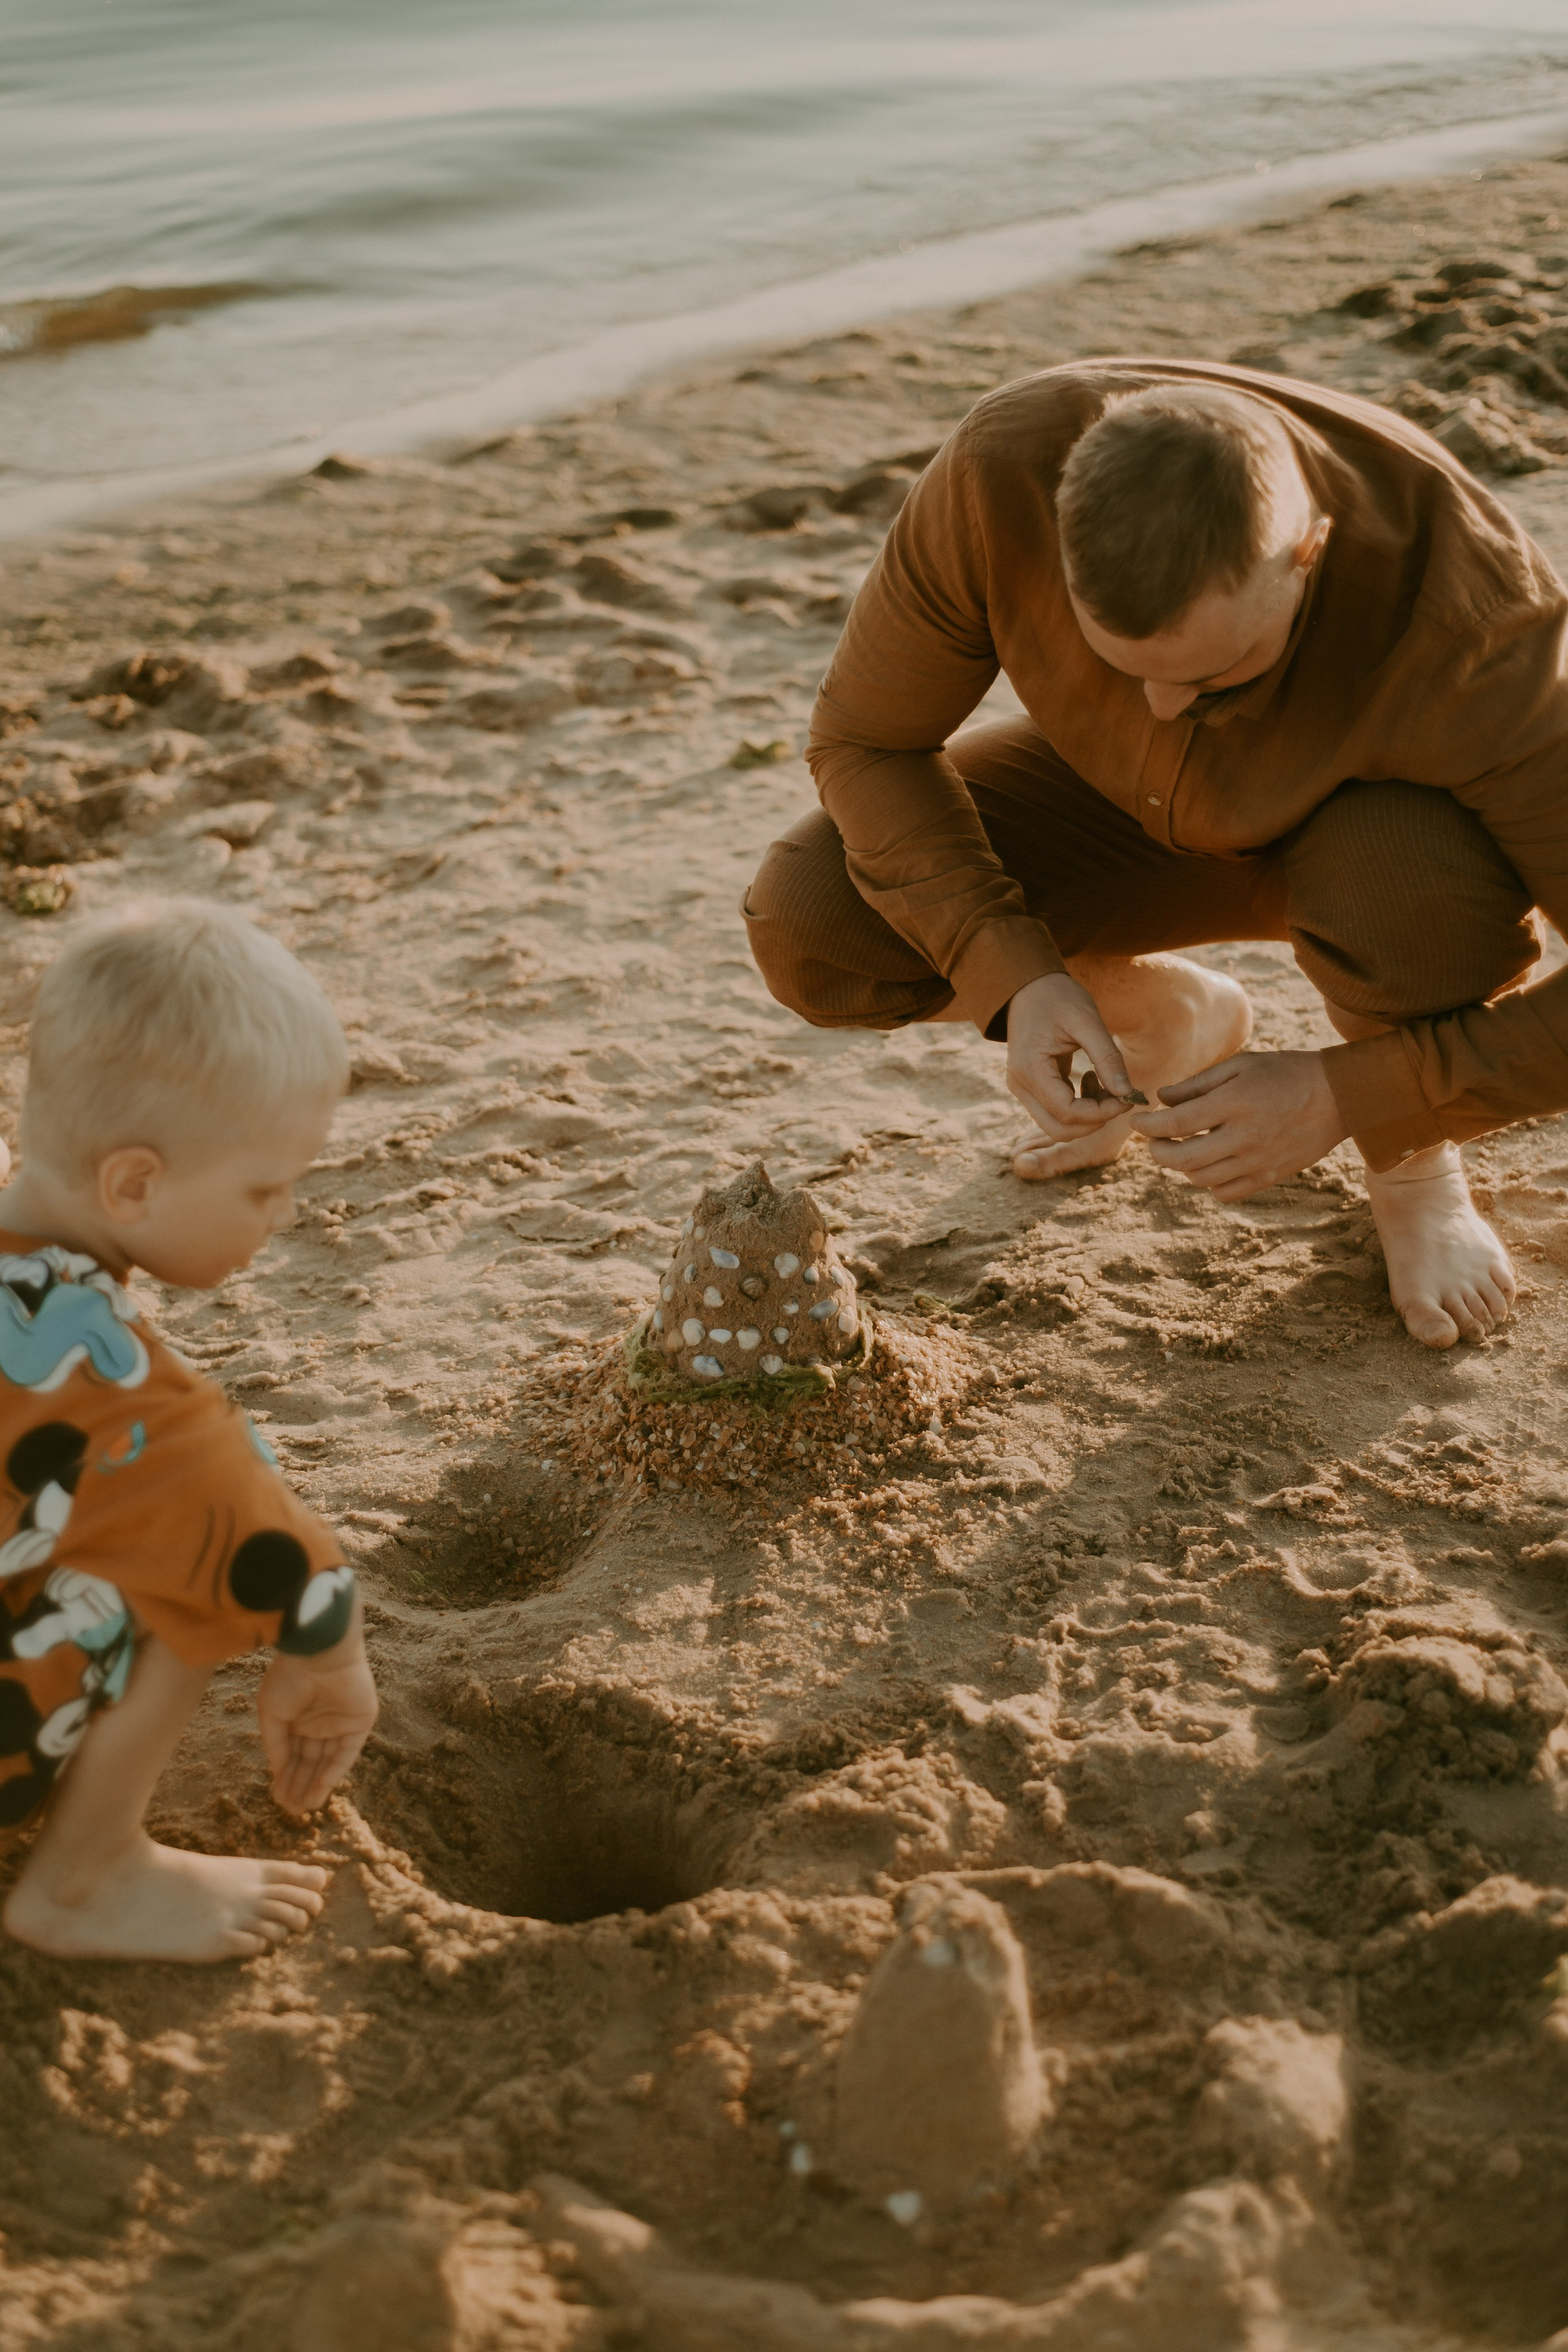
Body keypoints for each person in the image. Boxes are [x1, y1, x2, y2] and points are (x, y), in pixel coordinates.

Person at [744, 362, 1568, 1349]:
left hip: (1374, 845)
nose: (1168, 709)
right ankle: (1172, 1015)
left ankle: (1413, 1173)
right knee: (814, 919)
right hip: (1119, 806)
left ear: (1308, 552)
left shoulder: (1486, 629)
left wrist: (1357, 1094)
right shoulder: (1000, 475)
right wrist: (1017, 974)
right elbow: (864, 742)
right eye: (1121, 665)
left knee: (1408, 895)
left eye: (1214, 676)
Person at [0, 900, 376, 1963]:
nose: (284, 1217)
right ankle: (85, 1878)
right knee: (183, 1573)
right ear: (134, 1183)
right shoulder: (121, 1395)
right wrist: (333, 1664)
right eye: (267, 1188)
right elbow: (281, 1558)